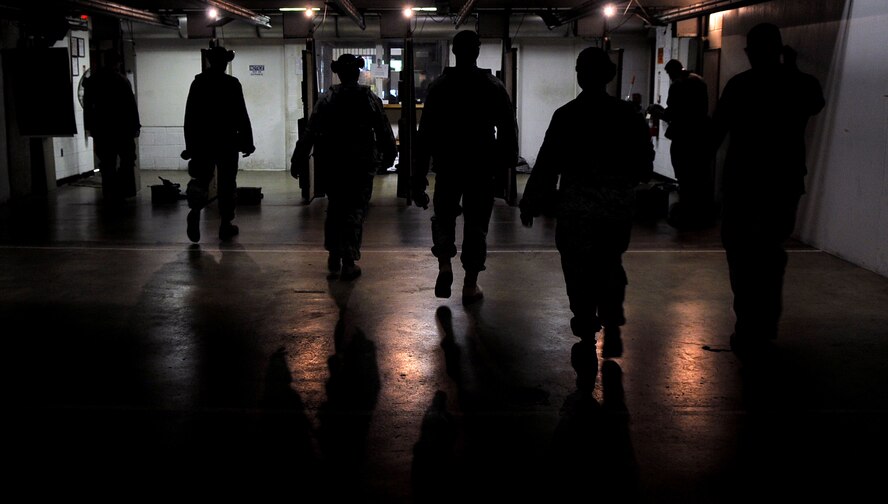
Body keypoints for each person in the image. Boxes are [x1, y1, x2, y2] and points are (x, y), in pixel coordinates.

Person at [519, 47, 653, 357]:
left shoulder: (567, 115)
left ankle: (586, 332)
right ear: (609, 76)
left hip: (576, 210)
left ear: (580, 76)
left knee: (578, 270)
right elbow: (644, 165)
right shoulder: (627, 115)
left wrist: (531, 201)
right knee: (609, 263)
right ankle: (612, 320)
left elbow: (547, 163)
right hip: (616, 209)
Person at [711, 23, 825, 360]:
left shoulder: (740, 86)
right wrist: (791, 67)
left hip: (742, 184)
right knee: (770, 255)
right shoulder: (800, 85)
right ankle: (765, 324)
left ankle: (748, 324)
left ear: (748, 52)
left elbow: (715, 133)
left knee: (742, 257)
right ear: (780, 49)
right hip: (782, 183)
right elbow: (814, 102)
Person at [413, 30, 519, 304]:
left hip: (448, 164)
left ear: (455, 52)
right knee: (476, 225)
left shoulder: (439, 87)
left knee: (445, 216)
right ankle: (470, 285)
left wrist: (418, 176)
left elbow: (424, 135)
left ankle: (445, 265)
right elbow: (508, 128)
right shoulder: (492, 85)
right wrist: (506, 168)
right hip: (481, 166)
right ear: (477, 51)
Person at [291, 54, 396, 280]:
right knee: (355, 210)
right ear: (357, 73)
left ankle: (333, 253)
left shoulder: (328, 98)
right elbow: (384, 130)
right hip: (360, 164)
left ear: (338, 73)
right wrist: (389, 155)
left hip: (333, 163)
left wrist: (298, 159)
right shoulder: (368, 98)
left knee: (336, 208)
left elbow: (309, 132)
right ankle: (349, 261)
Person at [183, 44, 255, 243]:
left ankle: (195, 211)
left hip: (203, 142)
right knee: (227, 183)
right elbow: (242, 114)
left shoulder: (198, 84)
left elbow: (190, 117)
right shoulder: (232, 84)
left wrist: (190, 145)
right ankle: (225, 224)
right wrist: (247, 142)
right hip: (227, 141)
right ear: (224, 63)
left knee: (200, 180)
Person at [648, 59, 714, 229]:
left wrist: (656, 111)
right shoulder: (699, 81)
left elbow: (672, 113)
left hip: (683, 136)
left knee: (684, 175)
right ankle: (701, 213)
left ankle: (685, 213)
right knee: (699, 176)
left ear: (672, 73)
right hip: (701, 136)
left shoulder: (678, 85)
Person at [82, 50, 141, 204]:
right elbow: (130, 105)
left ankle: (109, 192)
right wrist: (135, 125)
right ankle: (124, 190)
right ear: (118, 63)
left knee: (107, 163)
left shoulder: (94, 81)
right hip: (122, 129)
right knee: (127, 160)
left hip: (103, 129)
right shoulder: (122, 81)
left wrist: (89, 127)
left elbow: (87, 107)